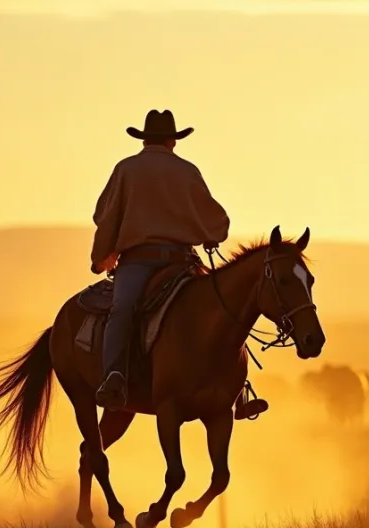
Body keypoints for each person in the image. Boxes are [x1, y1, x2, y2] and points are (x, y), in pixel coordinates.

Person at [89, 109, 267, 419]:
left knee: (122, 310)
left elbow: (104, 216)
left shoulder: (126, 169)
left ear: (144, 140)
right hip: (182, 262)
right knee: (220, 308)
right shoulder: (187, 171)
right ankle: (237, 392)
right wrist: (208, 235)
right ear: (173, 140)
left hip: (138, 263)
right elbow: (217, 220)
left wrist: (102, 257)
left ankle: (114, 377)